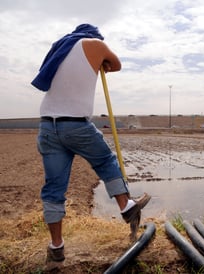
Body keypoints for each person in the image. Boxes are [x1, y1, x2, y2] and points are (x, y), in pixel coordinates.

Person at [31, 23, 151, 264]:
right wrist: (102, 62)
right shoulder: (95, 44)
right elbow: (116, 64)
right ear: (95, 35)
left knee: (54, 188)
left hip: (47, 125)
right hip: (75, 124)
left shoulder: (59, 49)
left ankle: (56, 246)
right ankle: (126, 205)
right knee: (105, 161)